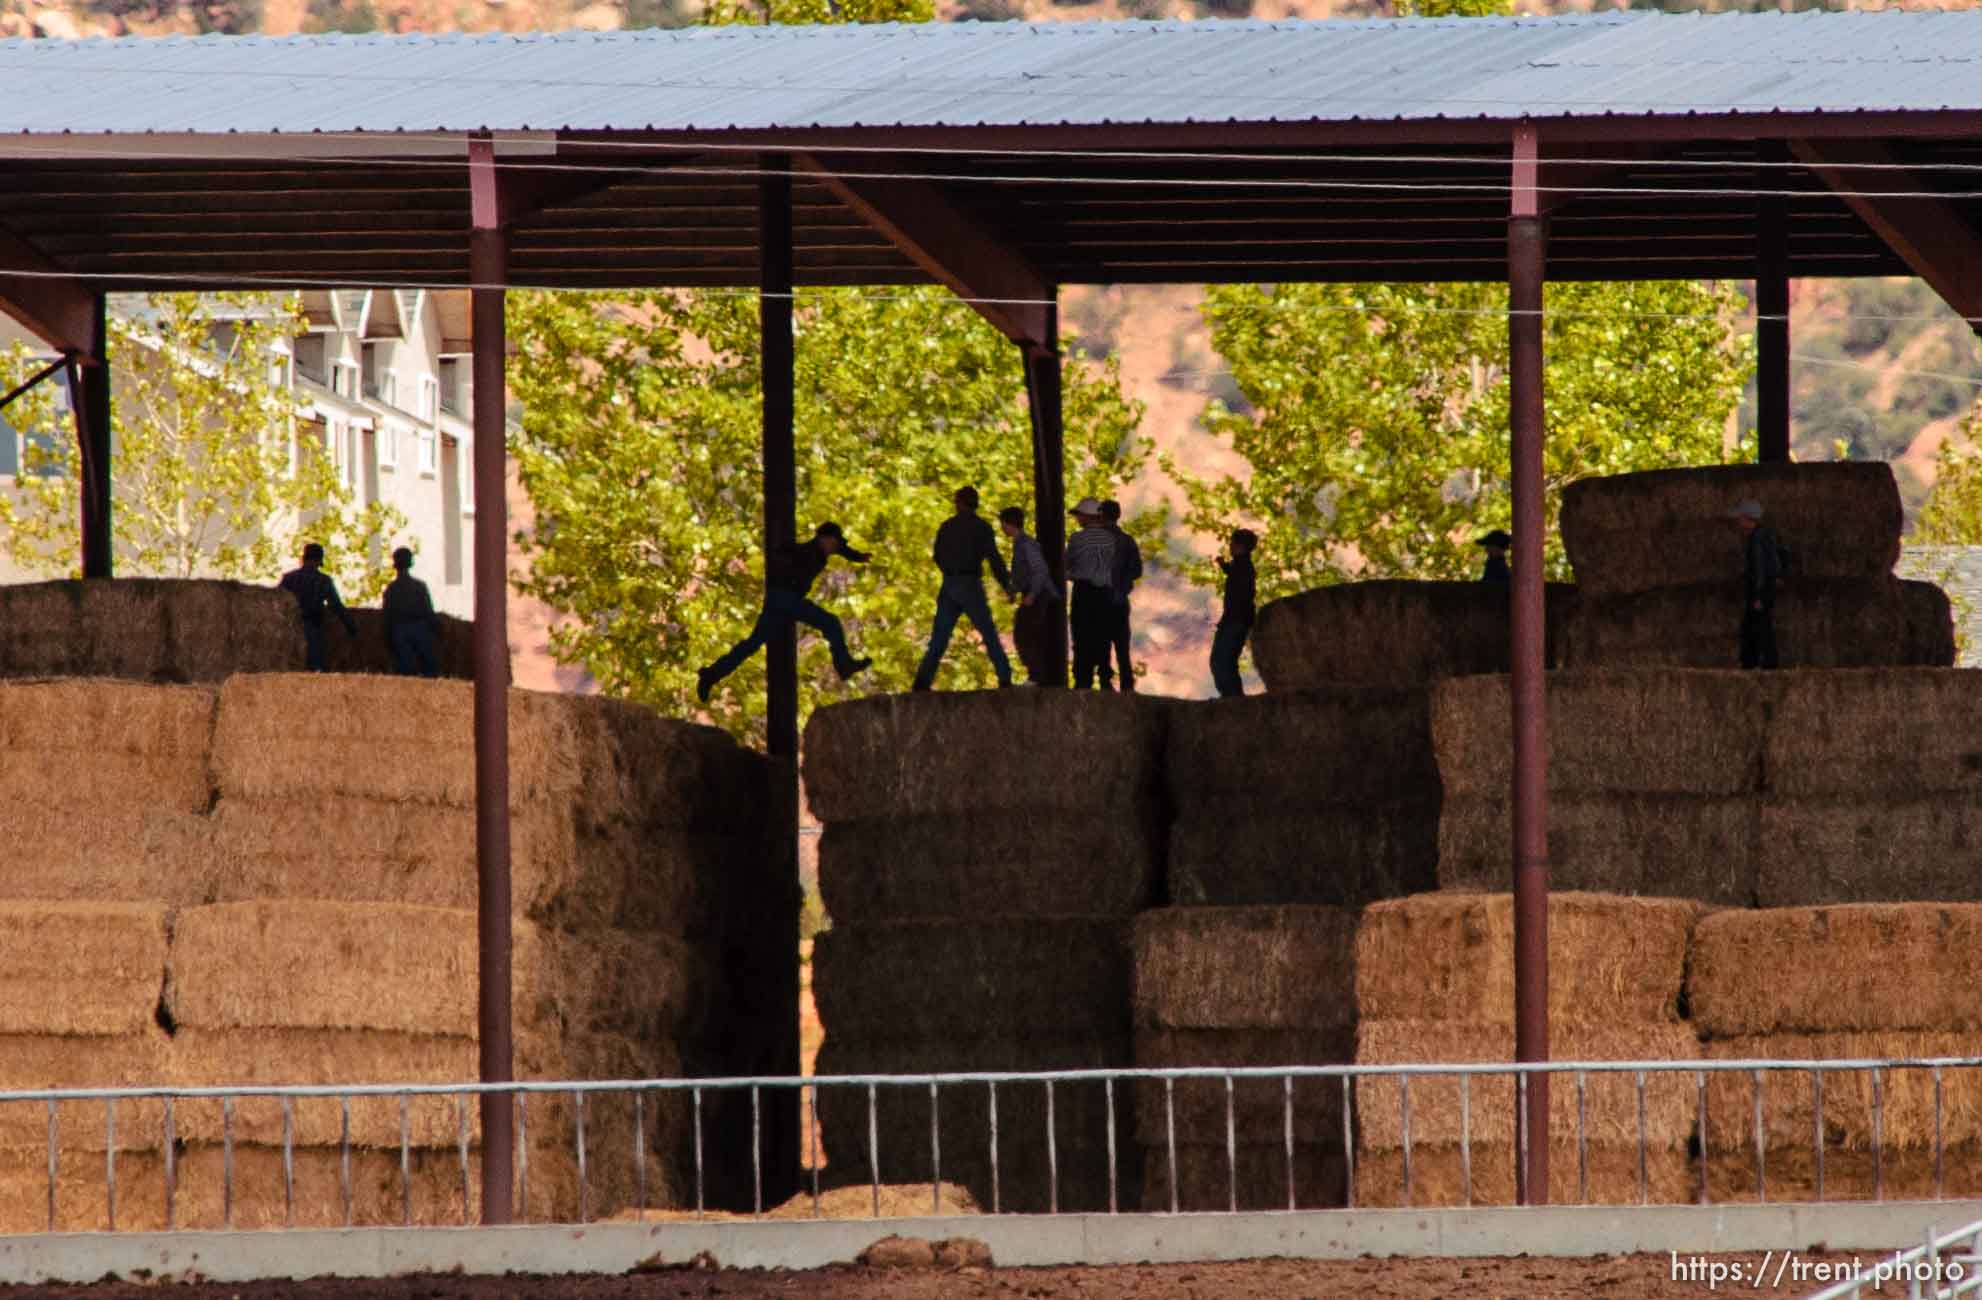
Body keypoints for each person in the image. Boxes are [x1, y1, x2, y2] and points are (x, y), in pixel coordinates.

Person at [698, 522, 874, 702]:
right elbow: (789, 552)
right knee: (830, 622)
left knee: (752, 644)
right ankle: (844, 664)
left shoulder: (825, 550)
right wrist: (783, 553)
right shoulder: (807, 550)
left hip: (780, 601)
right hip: (785, 598)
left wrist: (859, 557)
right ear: (824, 539)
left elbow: (844, 550)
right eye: (834, 543)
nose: (836, 548)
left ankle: (711, 675)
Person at [913, 486, 1015, 691]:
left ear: (959, 503)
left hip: (950, 583)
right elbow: (994, 559)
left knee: (939, 637)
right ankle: (1004, 676)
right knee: (988, 632)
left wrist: (950, 571)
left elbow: (938, 556)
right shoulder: (982, 528)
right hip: (970, 583)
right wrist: (1007, 585)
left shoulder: (947, 527)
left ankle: (922, 681)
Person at [1000, 505, 1060, 686]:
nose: (1002, 528)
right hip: (1037, 593)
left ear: (1009, 524)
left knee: (1025, 634)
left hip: (1039, 594)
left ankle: (1037, 676)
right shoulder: (1021, 544)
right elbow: (1023, 575)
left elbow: (1040, 570)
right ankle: (1038, 675)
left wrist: (1032, 594)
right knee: (1030, 633)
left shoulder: (1026, 544)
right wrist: (1013, 591)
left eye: (1003, 524)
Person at [1064, 498, 1118, 690]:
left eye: (1079, 514)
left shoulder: (1077, 539)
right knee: (1103, 635)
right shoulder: (1110, 539)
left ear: (1087, 516)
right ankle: (1105, 678)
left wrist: (1070, 574)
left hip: (1084, 592)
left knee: (1082, 635)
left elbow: (1067, 565)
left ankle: (1082, 680)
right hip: (1105, 593)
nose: (1077, 518)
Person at [279, 542, 358, 673]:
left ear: (304, 558)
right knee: (315, 665)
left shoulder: (289, 578)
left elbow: (277, 602)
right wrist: (350, 625)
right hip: (313, 626)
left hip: (290, 627)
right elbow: (336, 605)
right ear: (319, 561)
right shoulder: (323, 581)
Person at [1730, 498, 1781, 670]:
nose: (1737, 522)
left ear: (1747, 518)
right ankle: (1756, 662)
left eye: (1739, 518)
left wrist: (1758, 594)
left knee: (1757, 627)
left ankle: (1759, 663)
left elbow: (1759, 567)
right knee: (1758, 626)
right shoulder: (1765, 534)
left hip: (1760, 590)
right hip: (1767, 589)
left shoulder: (1757, 539)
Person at [1099, 499, 1143, 692]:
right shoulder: (1127, 541)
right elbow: (1137, 570)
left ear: (1101, 515)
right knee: (1122, 644)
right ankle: (1127, 684)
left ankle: (1105, 682)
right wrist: (1124, 583)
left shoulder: (1095, 542)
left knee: (1102, 643)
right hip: (1120, 600)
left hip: (1099, 599)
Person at [1210, 528, 1258, 699]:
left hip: (1234, 621)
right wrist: (1223, 565)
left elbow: (1242, 592)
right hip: (1238, 621)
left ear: (1239, 546)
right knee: (1227, 662)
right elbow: (1234, 571)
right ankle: (1233, 698)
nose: (1230, 545)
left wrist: (1233, 620)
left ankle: (1232, 698)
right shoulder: (1243, 565)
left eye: (1232, 542)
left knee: (1220, 661)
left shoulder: (1243, 567)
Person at [382, 546, 440, 679]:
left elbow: (386, 617)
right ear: (410, 562)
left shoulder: (391, 589)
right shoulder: (419, 586)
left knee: (405, 668)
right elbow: (428, 611)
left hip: (399, 630)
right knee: (429, 666)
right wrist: (437, 628)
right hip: (419, 628)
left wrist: (386, 636)